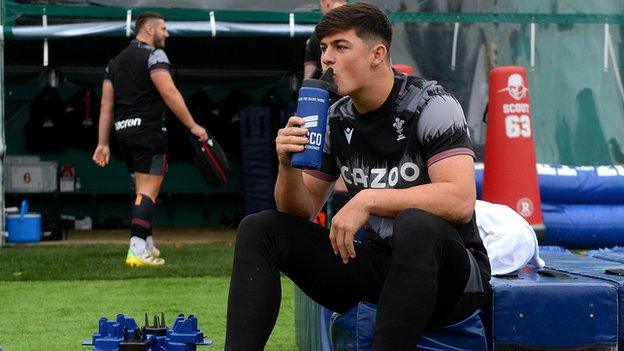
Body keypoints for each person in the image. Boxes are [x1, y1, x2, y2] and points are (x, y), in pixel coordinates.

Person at [225, 2, 491, 350]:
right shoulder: (336, 118)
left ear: (377, 54)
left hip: (453, 277)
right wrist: (286, 165)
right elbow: (297, 214)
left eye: (340, 47)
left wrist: (368, 198)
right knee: (260, 229)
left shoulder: (432, 104)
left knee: (415, 223)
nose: (327, 60)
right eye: (323, 48)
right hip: (385, 268)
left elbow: (460, 201)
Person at [93, 12, 208, 267]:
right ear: (148, 29)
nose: (167, 33)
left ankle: (146, 242)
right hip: (150, 132)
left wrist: (103, 143)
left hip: (124, 133)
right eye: (163, 28)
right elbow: (169, 92)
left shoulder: (114, 62)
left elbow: (105, 106)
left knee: (142, 191)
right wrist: (193, 126)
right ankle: (136, 249)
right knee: (148, 192)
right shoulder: (154, 55)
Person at [304, 0, 347, 79]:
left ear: (327, 2)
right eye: (323, 49)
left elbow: (309, 78)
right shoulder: (362, 26)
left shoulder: (315, 36)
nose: (326, 58)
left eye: (341, 47)